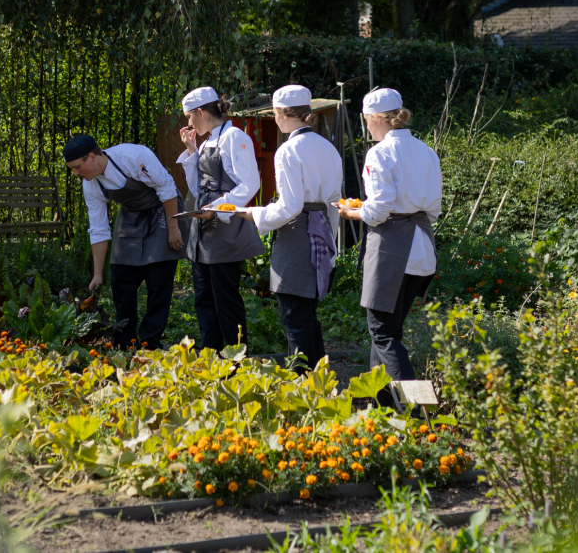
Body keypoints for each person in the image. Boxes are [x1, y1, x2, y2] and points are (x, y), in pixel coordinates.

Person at [336, 88, 442, 407]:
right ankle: (380, 408)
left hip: (394, 249)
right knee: (386, 331)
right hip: (422, 248)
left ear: (378, 119)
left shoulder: (380, 153)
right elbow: (433, 208)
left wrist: (350, 212)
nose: (367, 128)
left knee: (382, 332)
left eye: (367, 121)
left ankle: (416, 409)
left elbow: (378, 211)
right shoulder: (426, 151)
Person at [235, 85, 342, 372]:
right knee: (307, 315)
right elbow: (334, 204)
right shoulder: (328, 148)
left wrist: (253, 213)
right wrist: (332, 245)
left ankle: (303, 387)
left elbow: (290, 206)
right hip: (322, 231)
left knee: (294, 316)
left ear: (281, 113)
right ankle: (321, 384)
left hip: (296, 234)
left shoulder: (288, 150)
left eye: (274, 113)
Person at [63, 134, 189, 350]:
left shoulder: (132, 156)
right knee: (121, 278)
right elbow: (99, 229)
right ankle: (125, 343)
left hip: (163, 209)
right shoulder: (90, 185)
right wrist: (97, 273)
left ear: (92, 157)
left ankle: (150, 343)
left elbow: (166, 187)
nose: (75, 173)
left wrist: (174, 228)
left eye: (76, 167)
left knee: (158, 278)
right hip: (132, 215)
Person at [177, 86, 265, 351]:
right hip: (202, 232)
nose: (188, 123)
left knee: (226, 300)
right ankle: (211, 358)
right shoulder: (208, 141)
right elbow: (198, 188)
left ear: (202, 112)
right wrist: (192, 151)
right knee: (203, 299)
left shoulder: (234, 137)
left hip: (224, 231)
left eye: (189, 117)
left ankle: (236, 363)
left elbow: (250, 185)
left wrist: (216, 208)